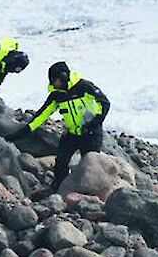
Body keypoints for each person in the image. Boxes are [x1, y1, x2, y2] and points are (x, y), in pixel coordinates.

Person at [13, 61, 110, 193]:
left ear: (64, 77)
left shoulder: (84, 86)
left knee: (90, 164)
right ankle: (58, 188)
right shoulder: (56, 95)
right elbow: (41, 115)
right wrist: (22, 132)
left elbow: (104, 103)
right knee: (61, 161)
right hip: (72, 133)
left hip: (91, 133)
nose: (53, 83)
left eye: (55, 80)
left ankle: (91, 192)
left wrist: (94, 124)